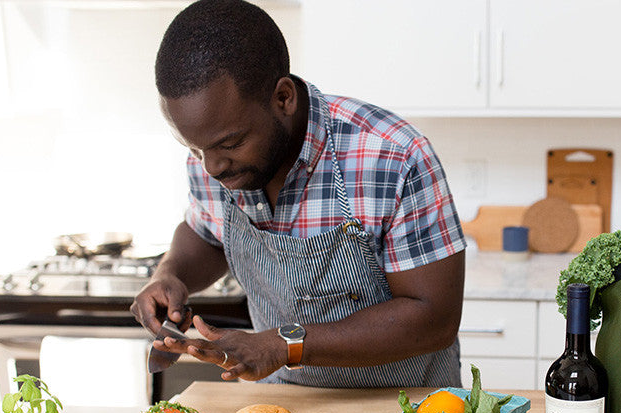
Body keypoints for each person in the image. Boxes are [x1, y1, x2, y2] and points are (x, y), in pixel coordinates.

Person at [131, 0, 466, 388]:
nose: (211, 168)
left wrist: (283, 344)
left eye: (231, 143)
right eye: (194, 149)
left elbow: (433, 318)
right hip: (280, 411)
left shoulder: (393, 156)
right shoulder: (213, 154)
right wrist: (171, 274)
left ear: (283, 98)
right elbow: (206, 233)